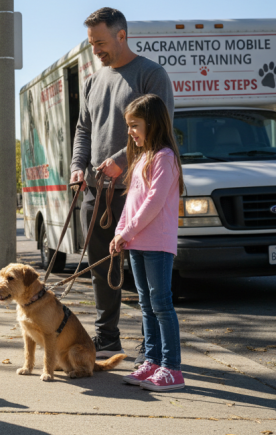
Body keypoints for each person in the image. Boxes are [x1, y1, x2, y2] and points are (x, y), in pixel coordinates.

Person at [69, 8, 174, 366]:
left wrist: (120, 161)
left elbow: (159, 130)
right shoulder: (92, 81)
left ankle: (152, 350)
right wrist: (78, 167)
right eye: (91, 43)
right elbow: (83, 130)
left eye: (100, 42)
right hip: (96, 193)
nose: (95, 49)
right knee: (101, 268)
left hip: (135, 190)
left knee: (144, 277)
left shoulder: (151, 74)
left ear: (122, 35)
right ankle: (108, 339)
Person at [110, 94, 185, 391]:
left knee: (161, 304)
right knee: (145, 304)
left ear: (152, 124)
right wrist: (120, 232)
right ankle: (152, 361)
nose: (130, 131)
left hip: (157, 243)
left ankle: (172, 368)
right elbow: (132, 203)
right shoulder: (141, 157)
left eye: (134, 125)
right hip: (137, 243)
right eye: (129, 125)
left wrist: (127, 233)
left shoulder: (164, 157)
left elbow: (153, 203)